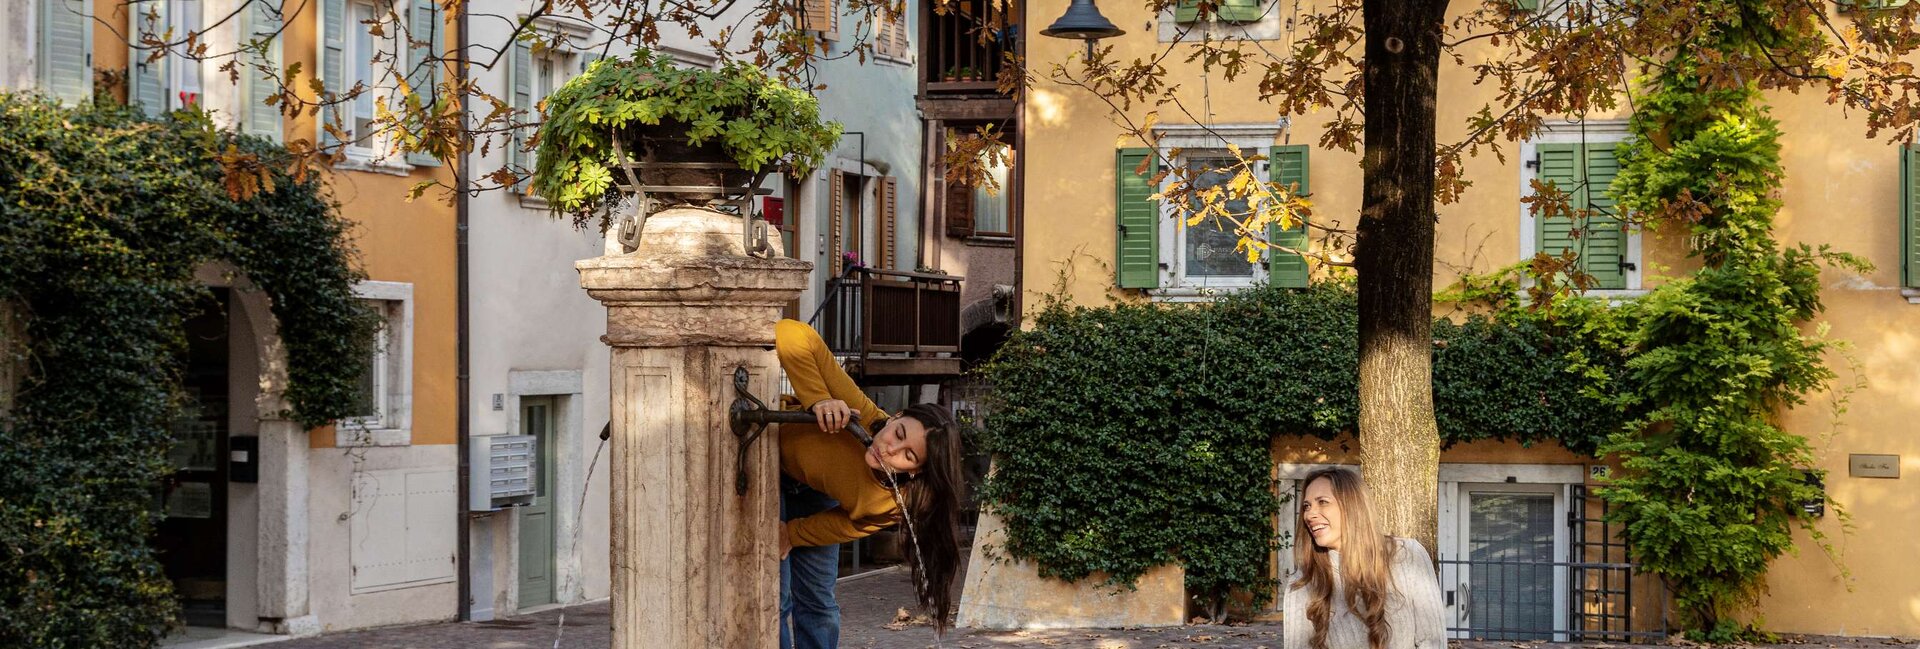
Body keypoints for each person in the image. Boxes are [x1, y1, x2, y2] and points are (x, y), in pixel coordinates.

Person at [772, 318, 965, 649]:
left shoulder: (894, 503)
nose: (890, 449)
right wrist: (818, 399)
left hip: (818, 496)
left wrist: (792, 534)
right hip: (769, 467)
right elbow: (790, 331)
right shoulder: (861, 414)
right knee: (774, 595)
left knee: (819, 604)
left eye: (908, 456)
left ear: (916, 471)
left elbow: (850, 523)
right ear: (896, 416)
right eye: (898, 433)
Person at [1283, 467, 1447, 649]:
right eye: (1307, 506)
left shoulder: (1407, 555)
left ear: (1353, 505)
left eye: (1322, 502)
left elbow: (1432, 641)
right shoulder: (1302, 583)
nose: (1310, 514)